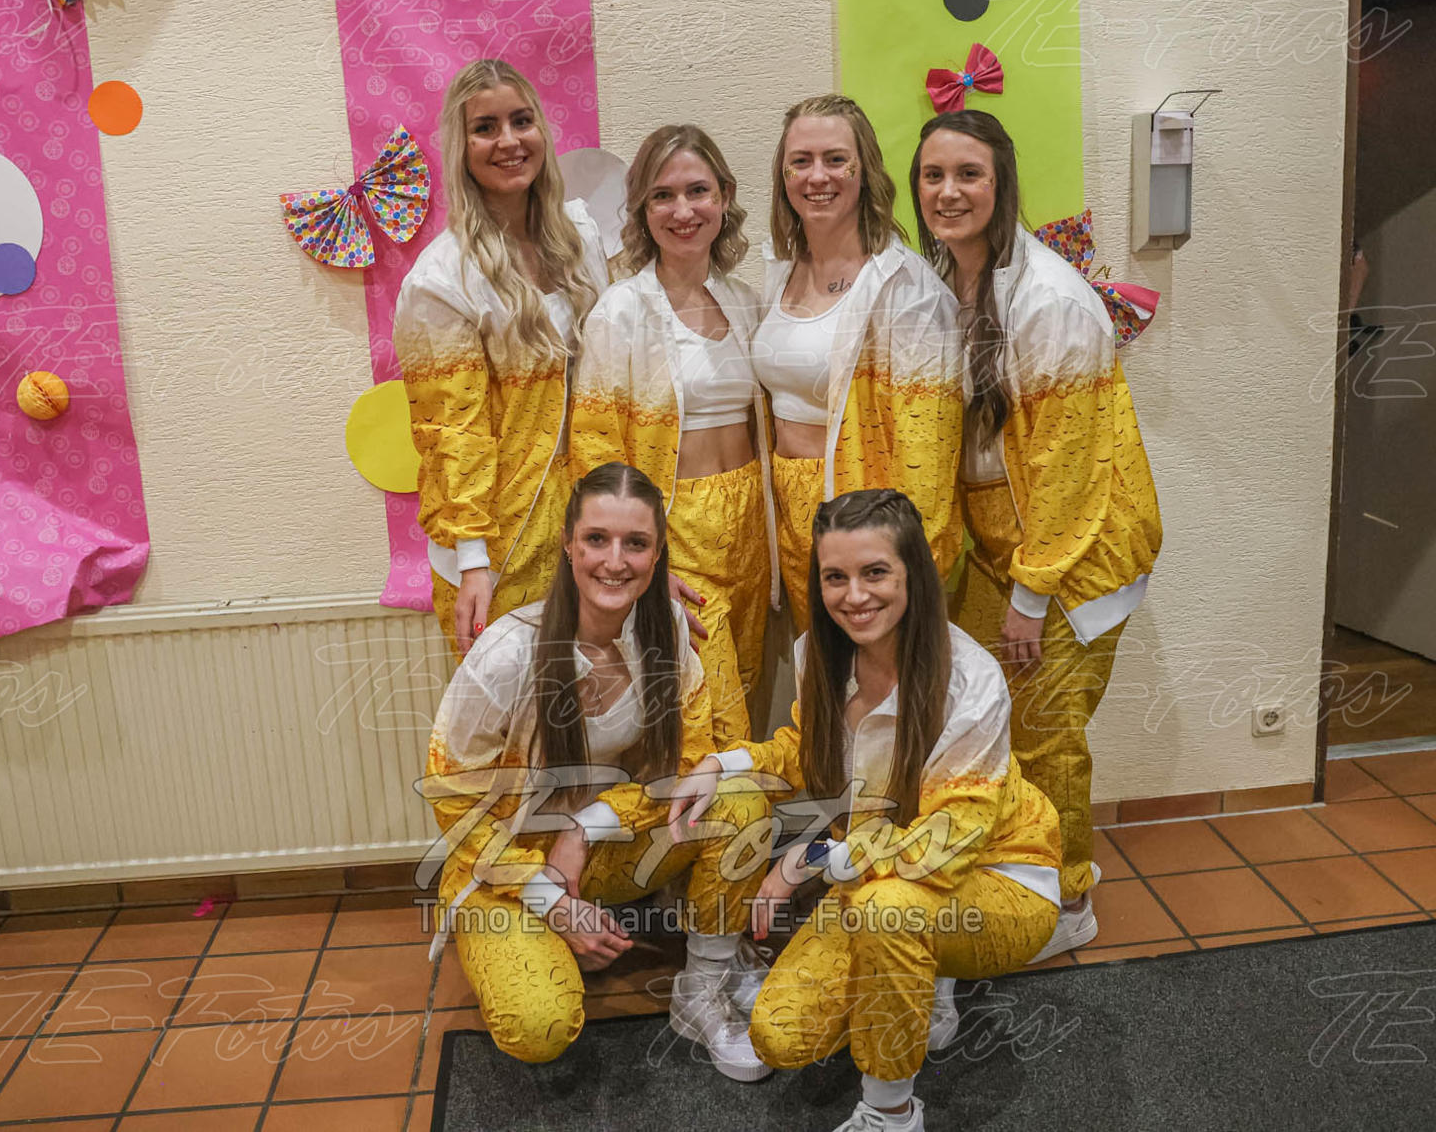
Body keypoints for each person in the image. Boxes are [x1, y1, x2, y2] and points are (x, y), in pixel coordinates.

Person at [670, 489, 1062, 1132]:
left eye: (875, 572)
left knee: (889, 911)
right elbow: (806, 751)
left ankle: (890, 1112)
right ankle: (918, 972)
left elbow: (949, 841)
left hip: (996, 876)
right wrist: (723, 764)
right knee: (780, 1036)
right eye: (836, 577)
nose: (854, 596)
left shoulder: (972, 680)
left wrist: (809, 861)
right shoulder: (818, 656)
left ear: (914, 574)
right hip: (878, 869)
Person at [420, 462, 771, 1077]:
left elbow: (688, 768)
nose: (615, 561)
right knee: (539, 1026)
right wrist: (549, 899)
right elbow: (455, 802)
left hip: (602, 849)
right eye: (596, 539)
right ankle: (541, 938)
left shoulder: (668, 638)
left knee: (738, 796)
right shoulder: (508, 653)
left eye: (635, 543)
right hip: (506, 866)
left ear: (657, 555)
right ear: (567, 544)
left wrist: (587, 827)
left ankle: (703, 987)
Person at [910, 110, 1164, 959]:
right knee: (992, 718)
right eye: (934, 175)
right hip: (998, 545)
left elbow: (1067, 470)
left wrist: (1031, 593)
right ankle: (1017, 873)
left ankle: (1070, 899)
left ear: (1003, 183)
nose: (949, 192)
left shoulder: (1050, 299)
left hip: (1069, 554)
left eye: (969, 174)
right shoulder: (946, 282)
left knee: (1048, 728)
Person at [394, 58, 610, 655]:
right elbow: (453, 431)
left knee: (599, 695)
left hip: (592, 520)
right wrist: (473, 561)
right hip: (499, 538)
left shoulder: (580, 237)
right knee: (514, 705)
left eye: (521, 121)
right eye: (485, 128)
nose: (509, 141)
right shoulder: (443, 279)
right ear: (461, 148)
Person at [571, 124, 779, 744]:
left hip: (751, 530)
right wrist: (643, 558)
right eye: (662, 196)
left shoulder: (746, 303)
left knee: (747, 691)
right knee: (703, 713)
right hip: (676, 530)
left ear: (724, 197)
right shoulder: (620, 311)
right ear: (641, 209)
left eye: (697, 191)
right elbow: (596, 451)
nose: (682, 210)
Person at [751, 95, 963, 634]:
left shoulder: (905, 289)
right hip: (790, 515)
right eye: (800, 161)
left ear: (864, 169)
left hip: (862, 521)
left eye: (835, 159)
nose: (817, 176)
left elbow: (928, 458)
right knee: (820, 670)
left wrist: (907, 566)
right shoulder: (781, 270)